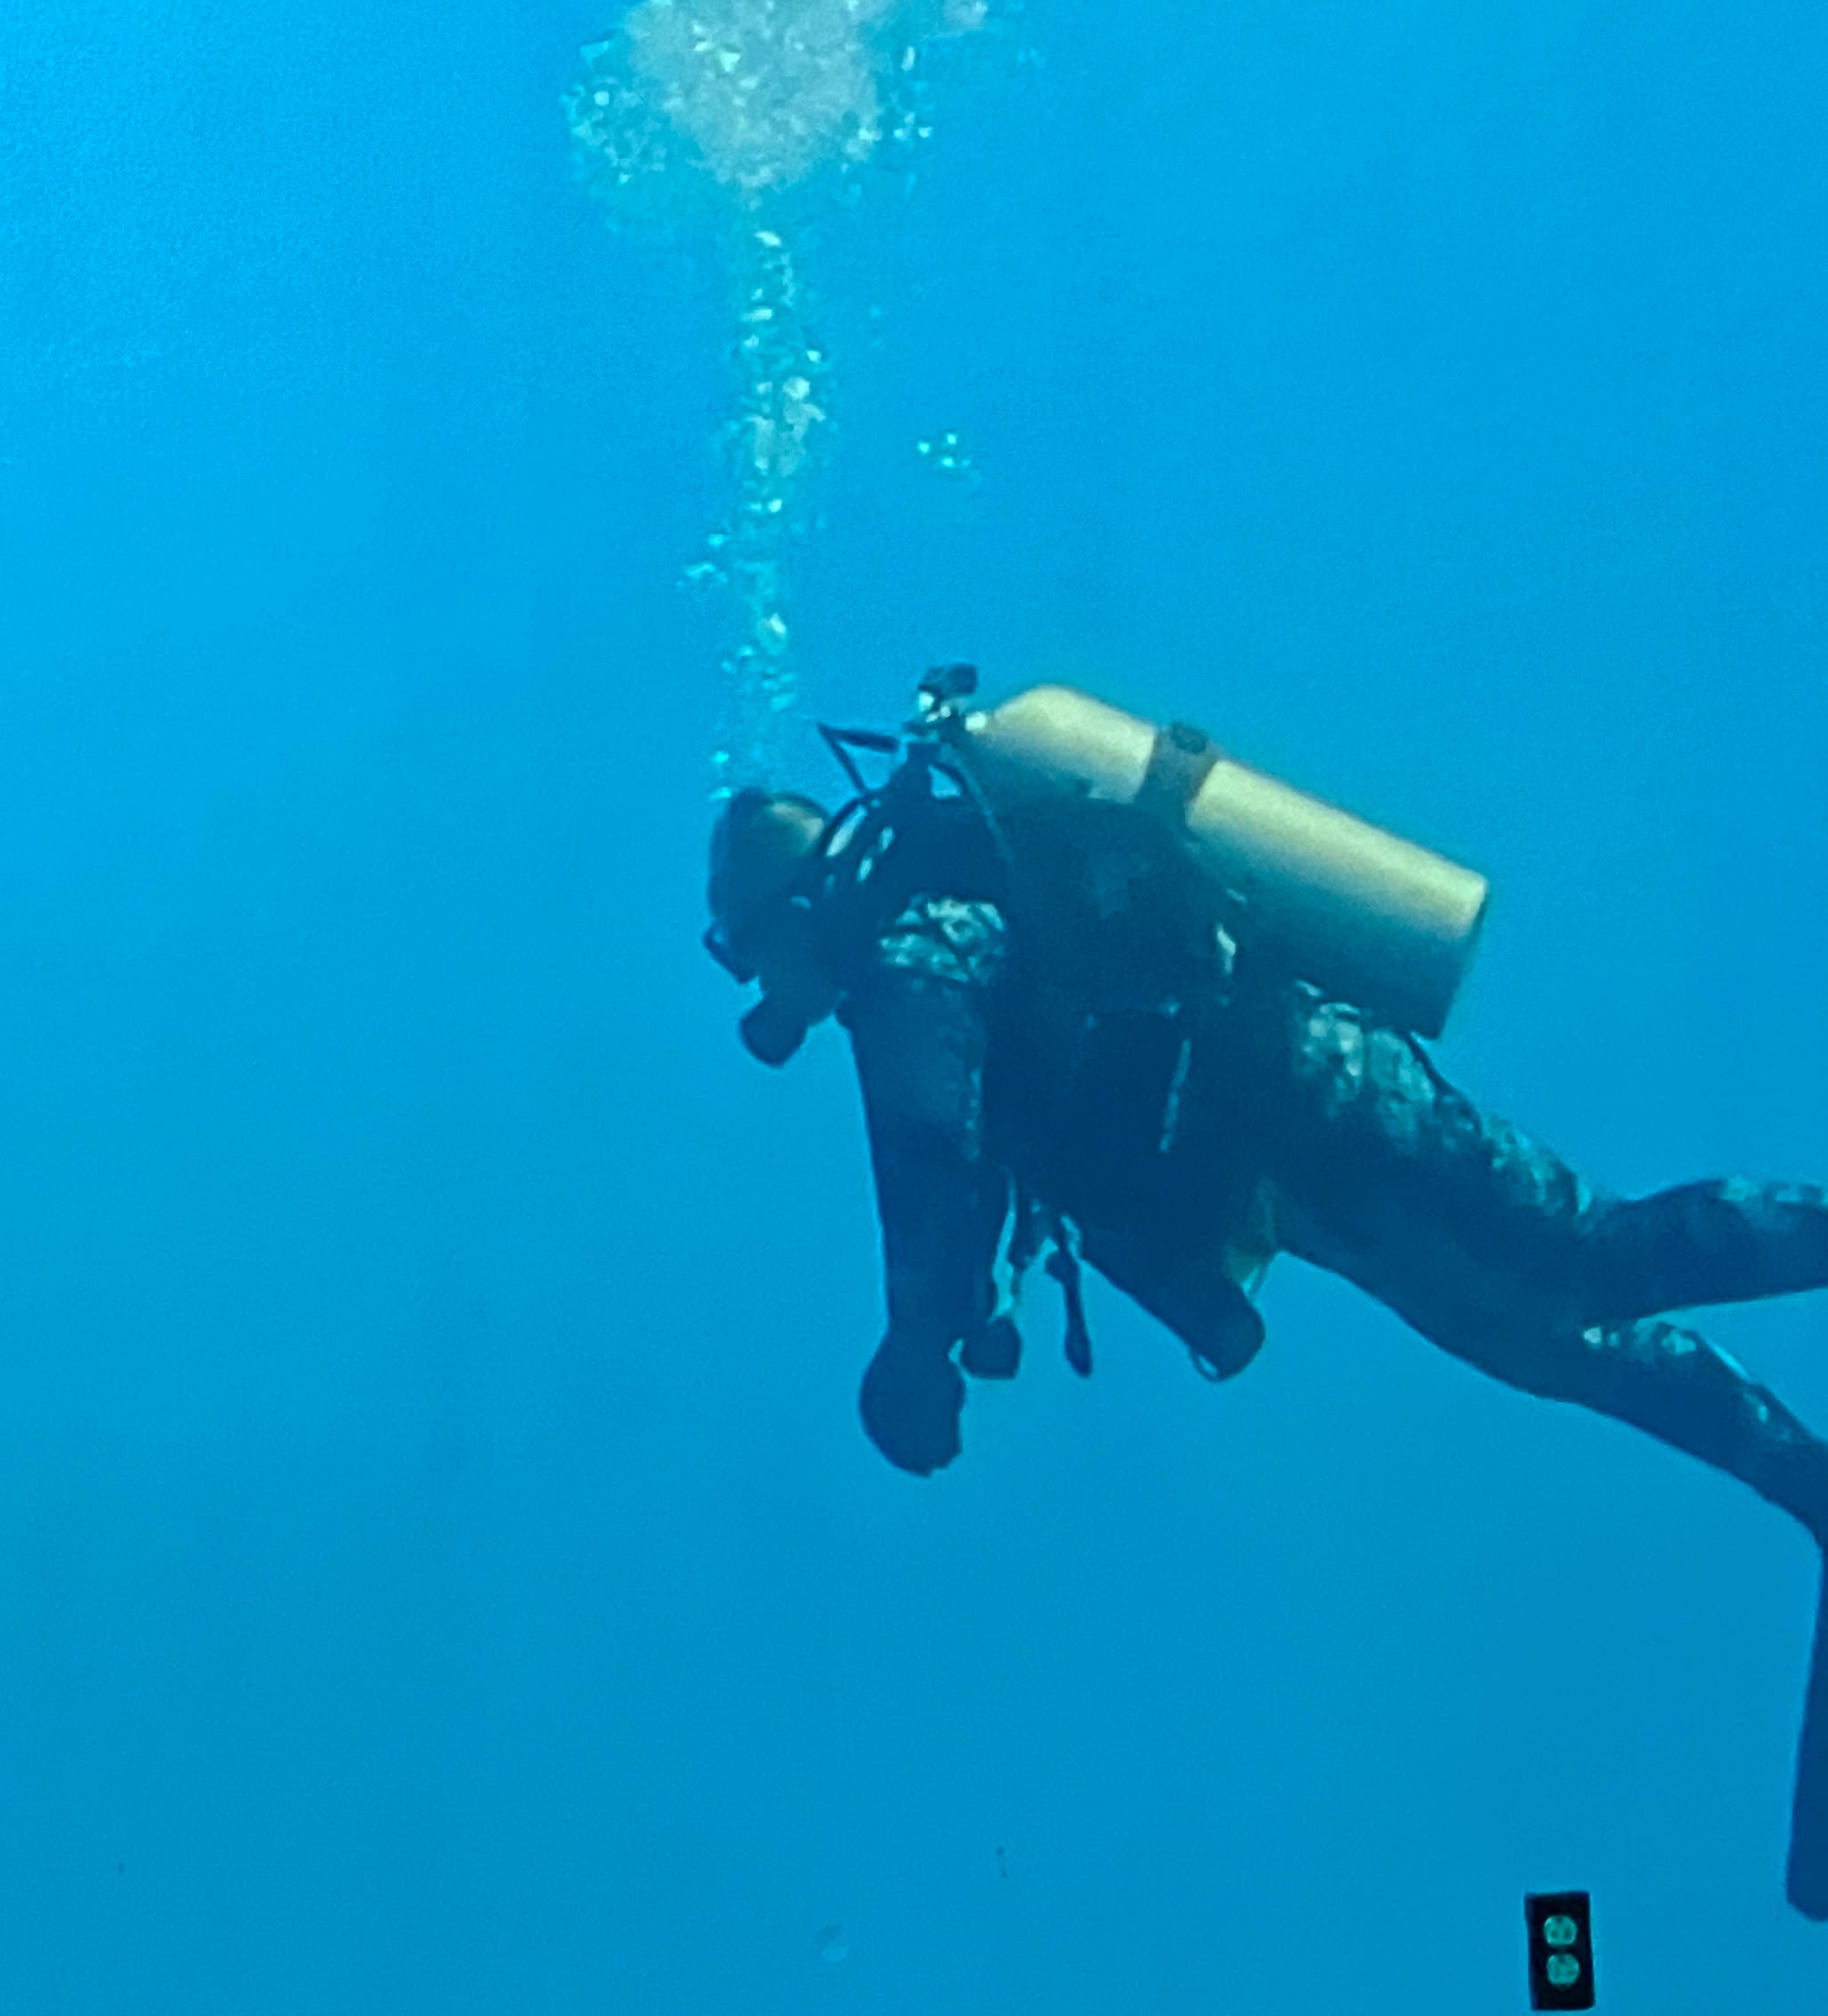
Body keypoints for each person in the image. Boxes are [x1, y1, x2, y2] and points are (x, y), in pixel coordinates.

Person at [704, 665, 1828, 1917]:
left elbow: (930, 1140)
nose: (756, 993)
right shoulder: (932, 927)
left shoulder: (909, 941)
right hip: (1287, 1158)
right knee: (1539, 1334)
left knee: (1589, 1261)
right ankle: (1808, 1482)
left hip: (1312, 1101)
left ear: (789, 907)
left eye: (738, 953)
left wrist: (916, 1344)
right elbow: (979, 1150)